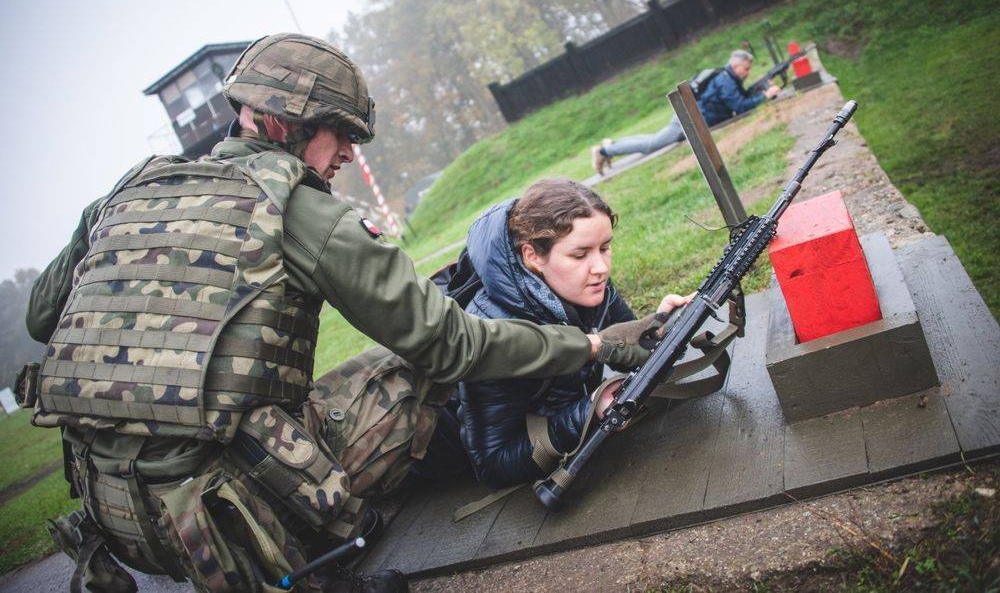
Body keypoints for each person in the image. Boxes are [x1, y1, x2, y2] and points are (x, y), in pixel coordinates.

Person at [19, 34, 659, 593]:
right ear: (284, 123)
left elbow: (42, 319)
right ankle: (323, 543)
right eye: (342, 131)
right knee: (409, 379)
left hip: (122, 523)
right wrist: (595, 347)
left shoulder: (128, 191)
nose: (350, 153)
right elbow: (453, 348)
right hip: (230, 526)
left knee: (354, 374)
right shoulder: (303, 212)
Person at [456, 179, 692, 490]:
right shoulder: (491, 328)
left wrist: (657, 327)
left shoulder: (588, 285)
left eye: (605, 248)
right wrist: (590, 411)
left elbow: (629, 359)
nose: (601, 267)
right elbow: (492, 465)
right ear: (533, 256)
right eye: (580, 255)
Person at [590, 49, 782, 175]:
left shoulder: (727, 78)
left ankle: (612, 145)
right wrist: (764, 96)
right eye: (746, 69)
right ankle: (604, 151)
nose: (747, 72)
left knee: (653, 139)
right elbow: (740, 106)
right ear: (735, 66)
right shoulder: (726, 80)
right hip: (688, 120)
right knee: (652, 144)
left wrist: (761, 90)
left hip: (694, 118)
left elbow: (739, 100)